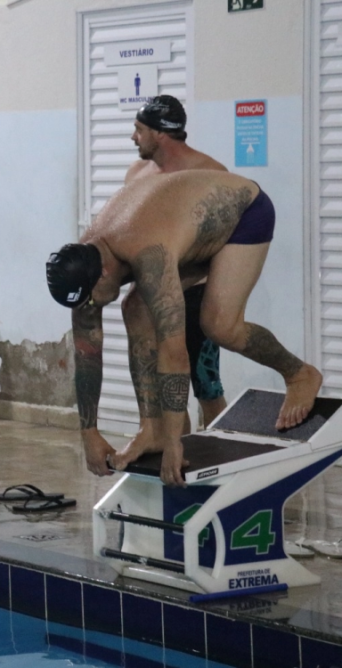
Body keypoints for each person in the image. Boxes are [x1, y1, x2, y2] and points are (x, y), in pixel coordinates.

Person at [46, 170, 322, 487]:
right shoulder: (82, 267)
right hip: (184, 233)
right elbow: (86, 352)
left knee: (219, 325)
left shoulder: (148, 255)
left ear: (105, 271)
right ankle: (151, 429)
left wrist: (176, 442)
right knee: (135, 308)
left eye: (91, 298)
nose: (89, 306)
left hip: (243, 216)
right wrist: (89, 432)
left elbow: (174, 353)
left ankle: (299, 373)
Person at [125, 95, 229, 430]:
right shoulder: (137, 173)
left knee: (206, 385)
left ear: (159, 134)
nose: (133, 137)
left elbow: (223, 242)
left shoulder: (209, 173)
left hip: (195, 294)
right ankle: (178, 452)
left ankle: (221, 457)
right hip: (151, 295)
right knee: (163, 387)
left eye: (139, 129)